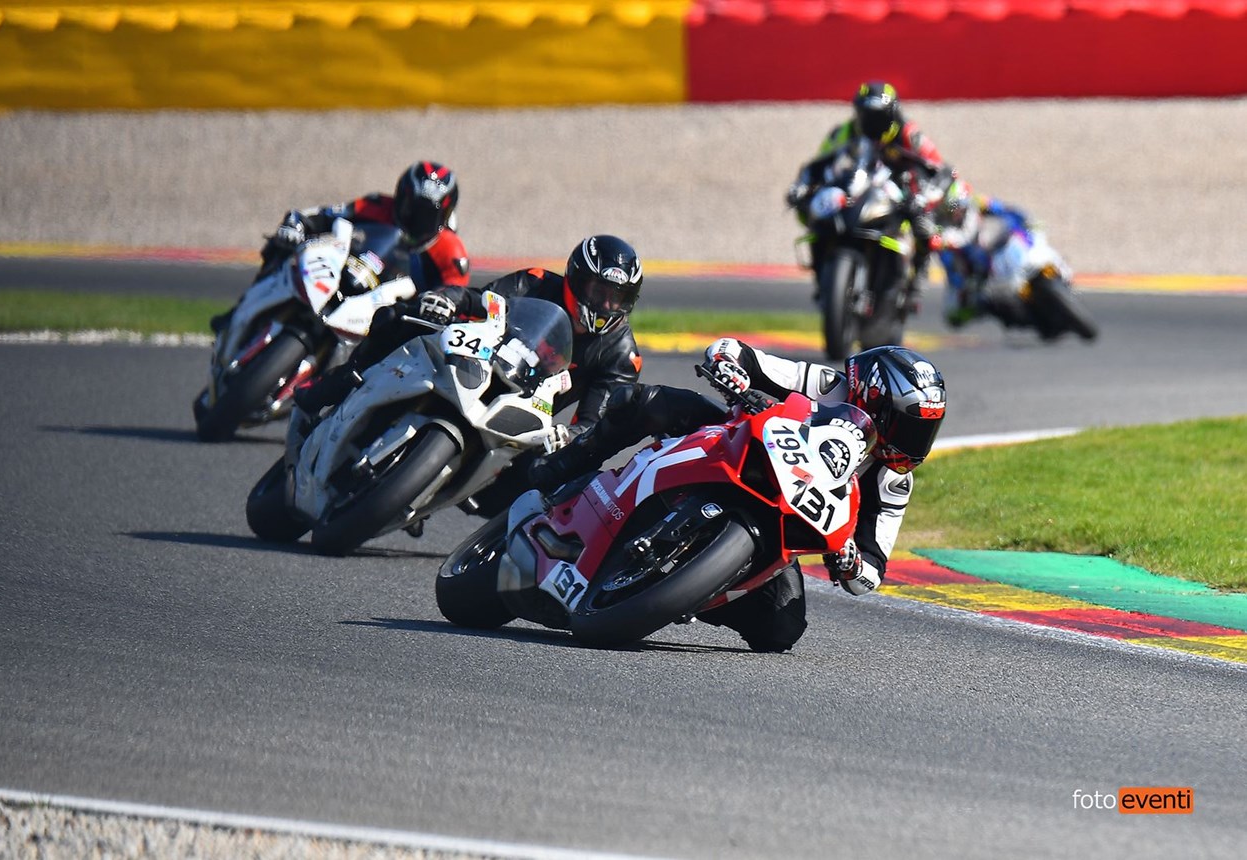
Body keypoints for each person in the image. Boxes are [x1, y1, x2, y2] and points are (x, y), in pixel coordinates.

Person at [526, 338, 947, 653]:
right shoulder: (826, 386)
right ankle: (563, 466)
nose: (914, 442)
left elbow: (873, 569)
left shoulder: (892, 480)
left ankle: (687, 592)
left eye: (925, 430)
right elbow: (735, 351)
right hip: (734, 449)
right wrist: (731, 369)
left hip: (779, 522)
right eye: (909, 425)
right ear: (871, 396)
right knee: (648, 402)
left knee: (782, 627)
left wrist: (851, 562)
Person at [293, 234, 646, 524]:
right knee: (402, 318)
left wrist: (569, 435)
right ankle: (340, 380)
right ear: (575, 279)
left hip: (526, 410)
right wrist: (446, 299)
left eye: (618, 298)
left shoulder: (622, 355)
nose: (606, 306)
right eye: (599, 292)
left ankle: (485, 544)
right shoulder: (537, 281)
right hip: (479, 359)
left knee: (549, 478)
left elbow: (596, 421)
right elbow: (482, 300)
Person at [210, 160, 469, 332]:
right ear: (400, 195)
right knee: (283, 245)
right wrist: (297, 224)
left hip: (389, 312)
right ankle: (239, 311)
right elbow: (323, 215)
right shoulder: (377, 205)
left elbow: (457, 298)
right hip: (345, 272)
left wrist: (436, 304)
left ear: (444, 217)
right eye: (411, 207)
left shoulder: (452, 252)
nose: (415, 219)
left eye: (426, 214)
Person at [787, 81, 951, 307]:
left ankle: (917, 280)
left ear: (892, 114)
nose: (872, 124)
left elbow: (940, 169)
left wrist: (925, 196)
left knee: (925, 226)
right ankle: (823, 275)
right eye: (866, 116)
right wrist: (802, 186)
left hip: (897, 189)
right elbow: (817, 164)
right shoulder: (843, 132)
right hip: (855, 188)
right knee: (815, 209)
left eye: (878, 117)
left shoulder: (909, 134)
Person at [933, 178, 1046, 328]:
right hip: (975, 270)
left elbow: (1006, 211)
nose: (958, 213)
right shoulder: (940, 228)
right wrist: (963, 285)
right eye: (953, 210)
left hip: (993, 249)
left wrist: (1026, 221)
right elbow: (949, 265)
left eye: (960, 208)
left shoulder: (976, 203)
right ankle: (1009, 315)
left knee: (1032, 237)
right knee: (954, 313)